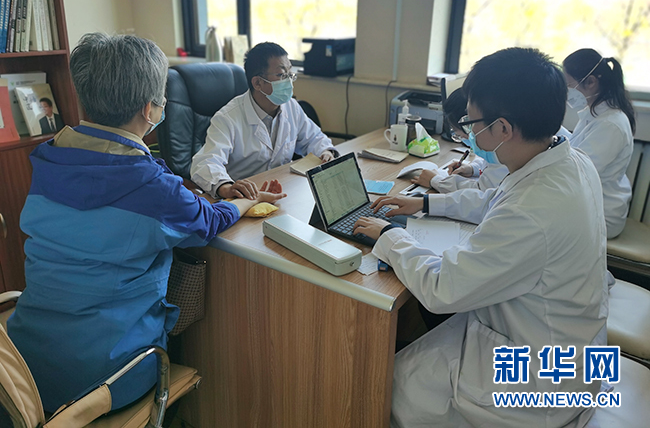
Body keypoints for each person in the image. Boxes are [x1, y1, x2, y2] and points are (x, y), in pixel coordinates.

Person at [7, 33, 286, 414]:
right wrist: (247, 201)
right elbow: (209, 221)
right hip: (104, 377)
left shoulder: (49, 157)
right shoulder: (152, 186)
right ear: (149, 109)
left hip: (21, 364)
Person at [354, 48, 608, 428]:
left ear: (503, 129)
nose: (469, 132)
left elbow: (443, 289)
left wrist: (389, 236)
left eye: (472, 123)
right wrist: (425, 202)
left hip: (537, 382)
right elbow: (495, 200)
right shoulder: (568, 161)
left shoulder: (533, 208)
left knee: (382, 385)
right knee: (411, 354)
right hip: (555, 340)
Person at [190, 42, 337, 199]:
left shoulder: (291, 107)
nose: (289, 80)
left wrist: (325, 152)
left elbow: (314, 138)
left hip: (282, 191)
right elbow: (205, 163)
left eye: (290, 73)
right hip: (244, 198)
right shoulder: (227, 118)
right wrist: (226, 187)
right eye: (281, 75)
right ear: (258, 83)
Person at [561, 49, 635, 239]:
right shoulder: (595, 114)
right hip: (589, 203)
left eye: (568, 85)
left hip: (603, 215)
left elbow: (579, 171)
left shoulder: (610, 124)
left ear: (591, 82)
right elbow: (575, 149)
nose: (566, 92)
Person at [411, 89, 508, 192]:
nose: (466, 139)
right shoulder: (498, 147)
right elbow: (490, 162)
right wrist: (472, 168)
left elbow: (481, 193)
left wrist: (436, 181)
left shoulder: (506, 155)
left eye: (461, 135)